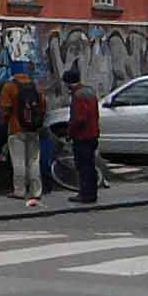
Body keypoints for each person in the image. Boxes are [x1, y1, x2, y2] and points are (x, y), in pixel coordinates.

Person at [0, 65, 46, 207]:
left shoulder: (9, 87)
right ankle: (36, 191)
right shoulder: (36, 86)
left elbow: (5, 110)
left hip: (16, 129)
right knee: (34, 161)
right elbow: (43, 105)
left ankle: (19, 191)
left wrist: (3, 125)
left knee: (18, 161)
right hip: (33, 129)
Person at [64, 65, 101, 204]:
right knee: (90, 165)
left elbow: (79, 118)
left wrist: (70, 132)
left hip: (82, 136)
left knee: (83, 166)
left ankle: (85, 194)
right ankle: (92, 193)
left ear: (68, 83)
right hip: (93, 134)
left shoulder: (78, 95)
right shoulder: (90, 91)